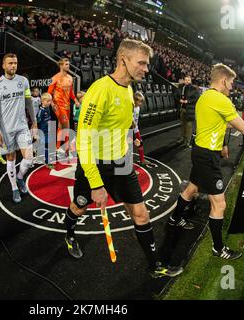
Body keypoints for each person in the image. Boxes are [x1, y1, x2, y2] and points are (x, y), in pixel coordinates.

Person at [63, 39, 184, 278]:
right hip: (95, 165)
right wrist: (97, 184)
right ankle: (69, 235)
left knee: (140, 213)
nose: (146, 69)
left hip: (121, 162)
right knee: (79, 206)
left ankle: (154, 265)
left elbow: (125, 122)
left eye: (147, 64)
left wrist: (132, 139)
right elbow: (83, 141)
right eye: (141, 63)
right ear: (123, 60)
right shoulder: (100, 89)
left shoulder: (129, 89)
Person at [169, 63, 244, 260]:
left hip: (200, 151)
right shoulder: (221, 100)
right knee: (219, 203)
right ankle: (218, 248)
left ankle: (174, 218)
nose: (232, 86)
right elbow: (243, 129)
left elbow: (220, 122)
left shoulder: (205, 95)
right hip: (208, 156)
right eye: (231, 82)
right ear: (223, 80)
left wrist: (236, 133)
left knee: (191, 188)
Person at [0, 53, 37, 204]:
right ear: (3, 65)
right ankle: (14, 188)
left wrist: (34, 122)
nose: (13, 66)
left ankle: (20, 177)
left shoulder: (23, 81)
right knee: (11, 158)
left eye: (15, 63)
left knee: (29, 159)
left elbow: (29, 102)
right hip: (6, 130)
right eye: (10, 63)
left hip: (22, 127)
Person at [47, 58, 80, 158]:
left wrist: (76, 100)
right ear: (61, 66)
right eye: (66, 64)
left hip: (67, 106)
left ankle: (57, 148)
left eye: (68, 64)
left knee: (61, 126)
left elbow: (71, 93)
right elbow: (49, 93)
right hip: (58, 105)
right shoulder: (55, 78)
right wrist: (52, 103)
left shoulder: (70, 77)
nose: (68, 66)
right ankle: (67, 149)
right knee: (67, 126)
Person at [175, 76, 200, 147]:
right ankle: (182, 138)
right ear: (184, 80)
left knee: (189, 126)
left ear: (191, 81)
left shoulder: (194, 88)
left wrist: (188, 101)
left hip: (190, 110)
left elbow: (197, 98)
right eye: (185, 80)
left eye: (188, 80)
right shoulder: (180, 88)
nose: (187, 81)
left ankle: (188, 141)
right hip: (182, 109)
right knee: (182, 125)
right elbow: (175, 95)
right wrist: (179, 100)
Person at [37, 93, 54, 169]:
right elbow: (37, 122)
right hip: (42, 132)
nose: (49, 103)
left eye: (50, 101)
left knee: (46, 146)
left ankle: (44, 158)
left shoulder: (48, 108)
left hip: (48, 131)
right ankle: (47, 162)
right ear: (42, 101)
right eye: (48, 101)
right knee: (45, 146)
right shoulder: (41, 111)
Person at [132, 91, 149, 166]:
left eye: (142, 102)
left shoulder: (138, 108)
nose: (141, 104)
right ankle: (127, 165)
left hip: (136, 130)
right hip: (129, 131)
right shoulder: (130, 108)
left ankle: (142, 160)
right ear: (134, 101)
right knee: (128, 148)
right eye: (140, 102)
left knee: (140, 144)